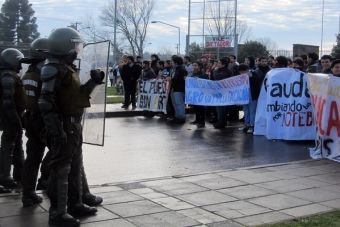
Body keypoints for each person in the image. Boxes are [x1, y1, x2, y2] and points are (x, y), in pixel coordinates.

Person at [38, 27, 104, 226]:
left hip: (73, 126)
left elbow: (78, 96)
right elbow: (45, 103)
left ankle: (75, 203)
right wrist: (56, 131)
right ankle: (57, 213)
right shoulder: (52, 69)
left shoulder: (67, 69)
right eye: (75, 46)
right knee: (61, 169)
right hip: (64, 126)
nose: (77, 51)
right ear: (65, 46)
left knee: (75, 166)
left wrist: (94, 82)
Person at [20, 38, 49, 207]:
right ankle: (45, 180)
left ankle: (28, 193)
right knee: (61, 153)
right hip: (42, 120)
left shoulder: (28, 73)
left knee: (32, 158)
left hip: (30, 119)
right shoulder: (43, 75)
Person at [0, 48, 25, 190]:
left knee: (14, 146)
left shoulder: (8, 74)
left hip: (11, 117)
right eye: (18, 62)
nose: (20, 66)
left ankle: (17, 174)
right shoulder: (8, 76)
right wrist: (16, 121)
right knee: (8, 146)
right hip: (10, 117)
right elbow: (8, 102)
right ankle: (5, 176)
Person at [211, 57, 233, 129]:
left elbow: (218, 77)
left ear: (223, 64)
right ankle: (220, 121)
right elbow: (213, 78)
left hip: (224, 92)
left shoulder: (227, 71)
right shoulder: (218, 70)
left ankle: (221, 122)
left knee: (222, 108)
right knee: (218, 107)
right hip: (218, 91)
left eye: (219, 63)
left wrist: (214, 70)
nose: (217, 64)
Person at [170, 56, 187, 124]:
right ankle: (177, 116)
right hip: (175, 88)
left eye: (172, 62)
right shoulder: (176, 69)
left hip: (179, 89)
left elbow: (181, 79)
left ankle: (181, 117)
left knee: (179, 103)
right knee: (176, 103)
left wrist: (171, 79)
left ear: (176, 62)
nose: (171, 63)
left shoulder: (181, 69)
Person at [190, 61, 208, 127]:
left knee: (201, 107)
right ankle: (197, 119)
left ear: (199, 66)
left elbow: (205, 79)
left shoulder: (202, 73)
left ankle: (202, 121)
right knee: (196, 107)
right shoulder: (193, 73)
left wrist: (199, 78)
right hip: (195, 93)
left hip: (201, 93)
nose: (194, 67)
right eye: (193, 65)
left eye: (195, 65)